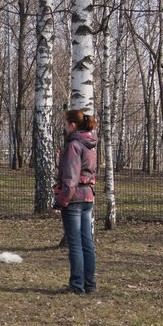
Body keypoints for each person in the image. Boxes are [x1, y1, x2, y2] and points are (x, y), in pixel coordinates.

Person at [53, 109, 98, 295]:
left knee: (75, 244)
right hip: (88, 195)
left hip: (74, 198)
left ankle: (77, 285)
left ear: (72, 125)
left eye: (65, 124)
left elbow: (71, 178)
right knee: (87, 242)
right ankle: (89, 284)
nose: (64, 127)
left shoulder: (74, 145)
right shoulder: (90, 144)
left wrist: (61, 201)